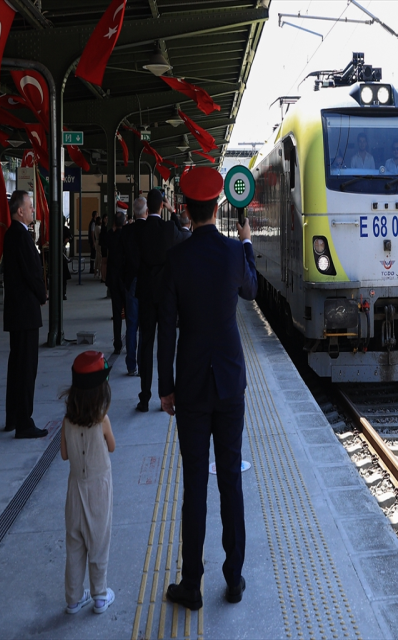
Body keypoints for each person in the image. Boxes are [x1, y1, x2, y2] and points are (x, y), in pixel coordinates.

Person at [158, 167, 257, 611]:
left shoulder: (176, 260)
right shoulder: (236, 253)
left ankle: (191, 584)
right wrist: (248, 242)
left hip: (192, 388)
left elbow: (166, 330)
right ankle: (233, 578)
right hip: (230, 384)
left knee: (194, 484)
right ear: (216, 206)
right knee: (230, 479)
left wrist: (166, 387)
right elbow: (251, 291)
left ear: (185, 209)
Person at [60, 351, 116, 615]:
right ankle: (100, 596)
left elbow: (64, 454)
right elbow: (112, 447)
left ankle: (72, 599)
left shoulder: (67, 422)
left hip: (75, 488)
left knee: (74, 543)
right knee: (99, 540)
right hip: (99, 488)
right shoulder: (102, 420)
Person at [3, 190, 48, 439]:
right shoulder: (20, 236)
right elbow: (32, 273)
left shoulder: (15, 234)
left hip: (17, 312)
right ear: (20, 210)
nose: (33, 210)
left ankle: (12, 416)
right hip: (25, 313)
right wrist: (42, 295)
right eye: (30, 207)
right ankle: (24, 421)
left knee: (17, 366)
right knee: (26, 367)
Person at [134, 189, 183, 411]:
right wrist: (173, 212)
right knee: (165, 344)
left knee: (146, 344)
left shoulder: (138, 231)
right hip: (165, 297)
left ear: (147, 209)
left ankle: (144, 397)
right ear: (161, 206)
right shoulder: (169, 229)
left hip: (144, 294)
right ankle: (166, 393)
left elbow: (132, 261)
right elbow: (184, 230)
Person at [121, 197, 147, 376]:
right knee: (145, 326)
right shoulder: (151, 229)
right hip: (147, 283)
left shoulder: (126, 231)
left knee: (131, 325)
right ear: (145, 212)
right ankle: (142, 362)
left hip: (130, 282)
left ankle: (131, 366)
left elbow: (120, 258)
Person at [106, 212, 126, 354]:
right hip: (126, 279)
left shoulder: (110, 236)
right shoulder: (127, 236)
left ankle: (117, 343)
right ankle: (130, 342)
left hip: (113, 279)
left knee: (116, 312)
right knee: (130, 313)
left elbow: (103, 240)